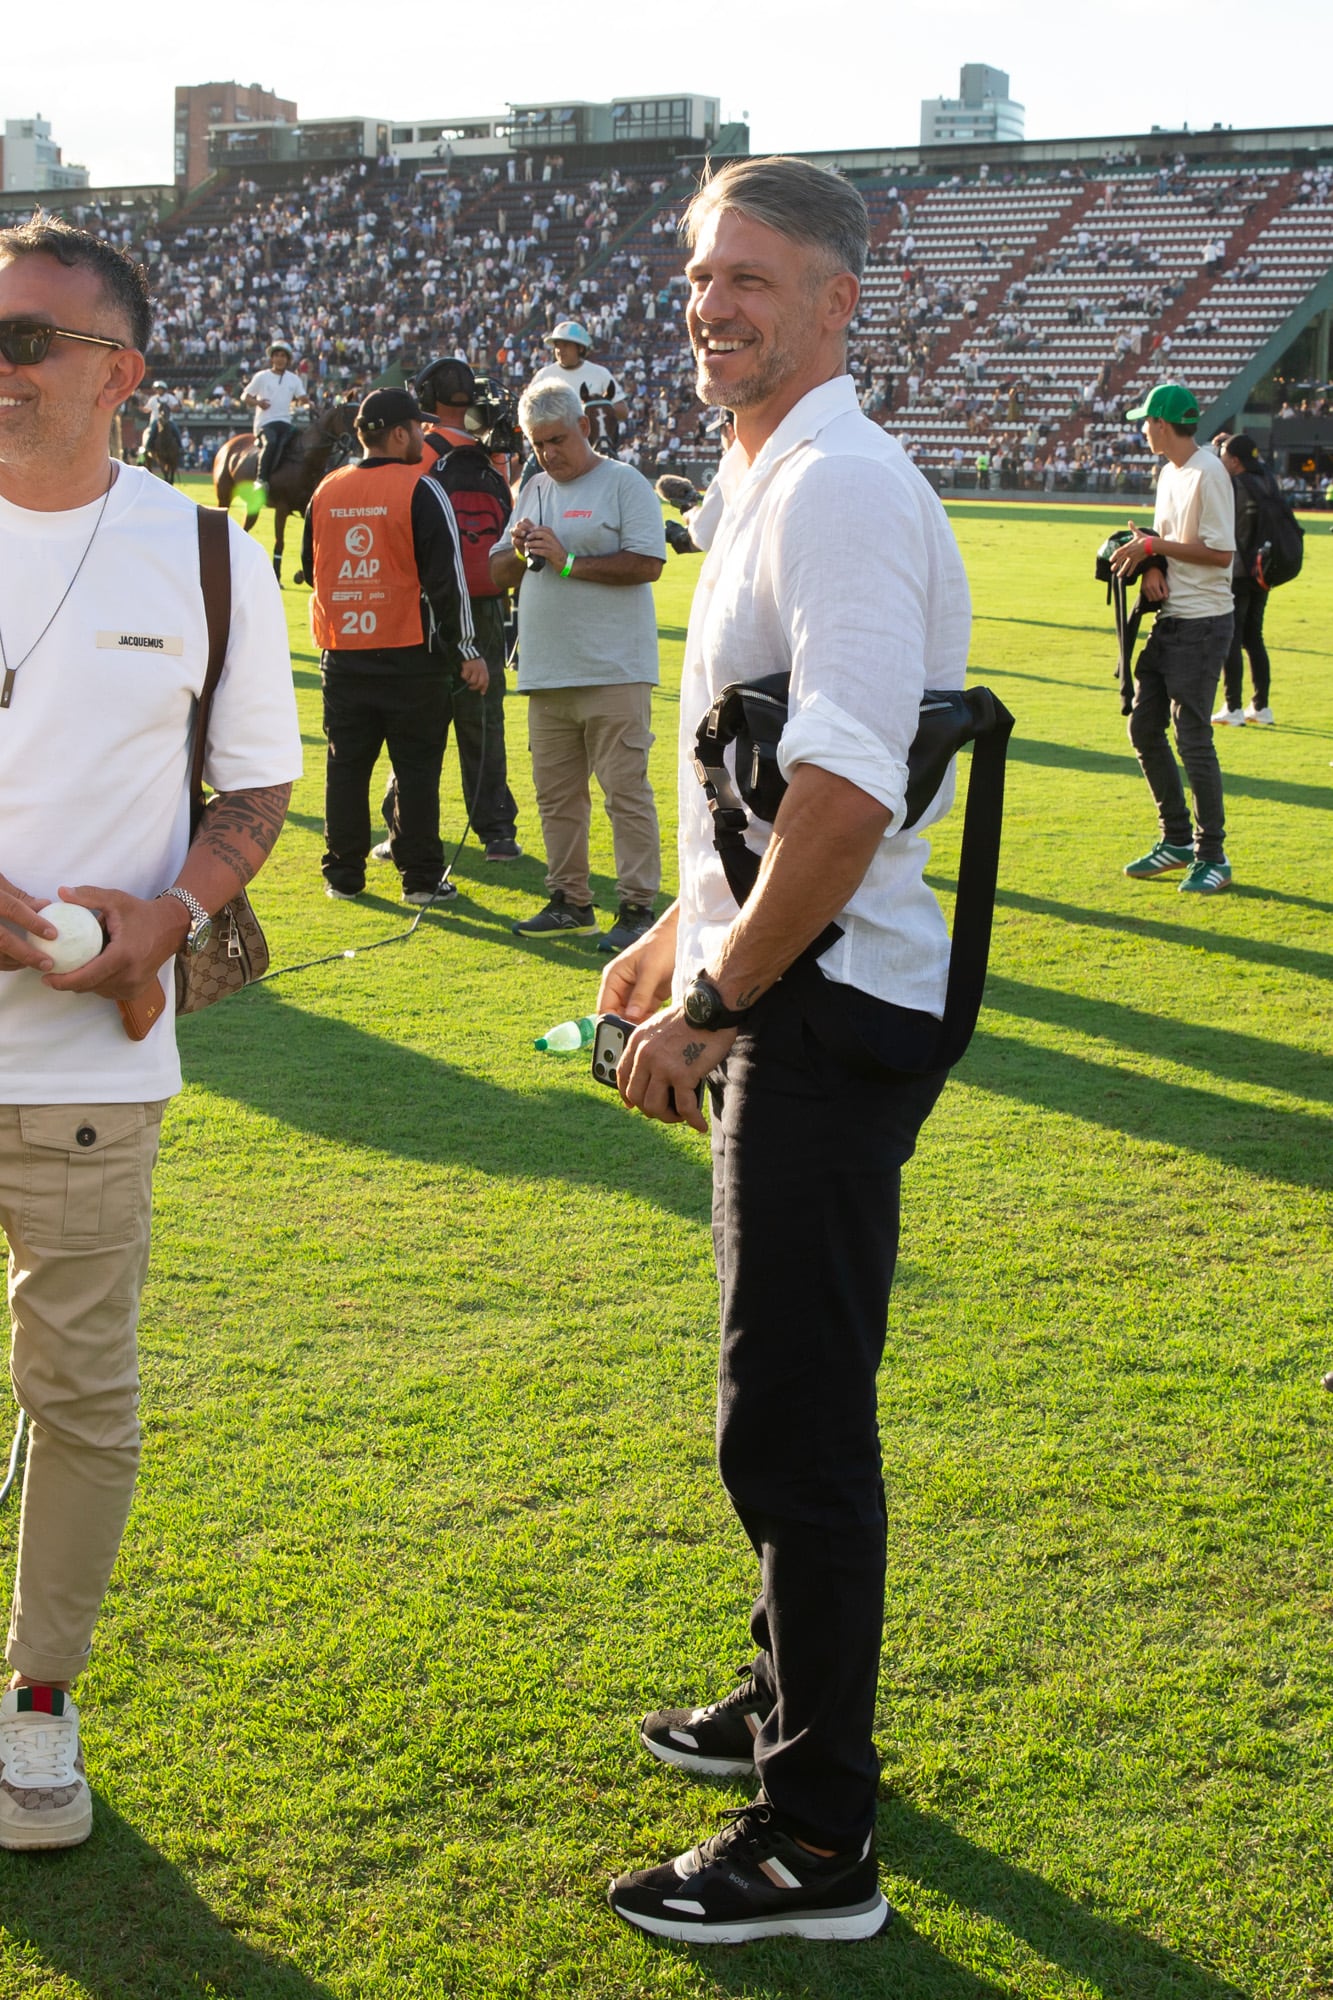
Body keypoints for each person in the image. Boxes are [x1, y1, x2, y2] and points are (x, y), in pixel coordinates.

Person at [597, 155, 970, 1945]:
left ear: (836, 299)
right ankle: (781, 1703)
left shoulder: (831, 485)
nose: (708, 304)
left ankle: (817, 1838)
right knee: (787, 1404)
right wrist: (678, 929)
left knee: (792, 1425)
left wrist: (716, 1000)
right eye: (695, 274)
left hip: (822, 1012)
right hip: (797, 986)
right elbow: (759, 781)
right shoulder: (759, 473)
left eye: (750, 276)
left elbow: (843, 793)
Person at [0, 216, 300, 1847]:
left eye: (27, 342)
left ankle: (36, 1711)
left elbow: (255, 787)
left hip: (91, 1061)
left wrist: (163, 918)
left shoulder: (203, 553)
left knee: (82, 1397)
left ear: (116, 372)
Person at [490, 381, 664, 952]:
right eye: (537, 444)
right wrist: (519, 552)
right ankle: (570, 902)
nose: (548, 455)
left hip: (613, 668)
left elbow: (647, 562)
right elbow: (496, 575)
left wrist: (568, 563)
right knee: (557, 797)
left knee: (625, 793)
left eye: (558, 440)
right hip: (546, 672)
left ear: (585, 427)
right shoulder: (533, 487)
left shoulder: (623, 482)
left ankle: (638, 908)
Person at [303, 388, 477, 904]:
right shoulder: (422, 488)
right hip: (409, 653)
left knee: (346, 767)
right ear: (400, 433)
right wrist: (468, 651)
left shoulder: (326, 489)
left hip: (343, 653)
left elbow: (313, 570)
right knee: (418, 770)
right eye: (418, 430)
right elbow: (448, 581)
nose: (423, 438)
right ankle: (421, 881)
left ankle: (343, 875)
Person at [1110, 384, 1235, 893]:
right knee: (1143, 728)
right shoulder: (1168, 473)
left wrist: (1153, 545)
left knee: (1194, 740)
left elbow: (1220, 553)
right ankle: (1177, 840)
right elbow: (1167, 543)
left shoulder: (1209, 472)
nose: (1142, 428)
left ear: (1162, 424)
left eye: (1145, 421)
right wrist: (1152, 565)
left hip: (1204, 623)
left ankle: (1213, 855)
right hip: (1173, 618)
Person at [411, 357, 522, 861]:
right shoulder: (486, 453)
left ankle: (408, 826)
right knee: (485, 715)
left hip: (427, 600)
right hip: (486, 599)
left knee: (417, 720)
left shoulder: (416, 449)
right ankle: (497, 829)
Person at [1213, 433, 1275, 727]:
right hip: (1263, 570)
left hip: (1238, 570)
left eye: (1224, 454)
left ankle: (1233, 707)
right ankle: (1261, 707)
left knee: (1233, 638)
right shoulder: (1266, 479)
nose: (1221, 459)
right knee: (1254, 637)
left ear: (1234, 461)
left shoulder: (1234, 485)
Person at [240, 340, 309, 501]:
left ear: (288, 359)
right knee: (271, 442)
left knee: (301, 442)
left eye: (283, 356)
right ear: (272, 358)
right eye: (277, 355)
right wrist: (258, 403)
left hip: (285, 423)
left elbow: (302, 398)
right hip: (265, 423)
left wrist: (308, 402)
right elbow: (245, 396)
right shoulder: (262, 376)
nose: (280, 359)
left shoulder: (294, 379)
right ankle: (261, 480)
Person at [528, 320, 630, 427]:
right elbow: (528, 410)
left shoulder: (600, 373)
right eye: (557, 345)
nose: (560, 350)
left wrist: (596, 408)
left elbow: (623, 412)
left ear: (580, 348)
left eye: (566, 345)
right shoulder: (543, 375)